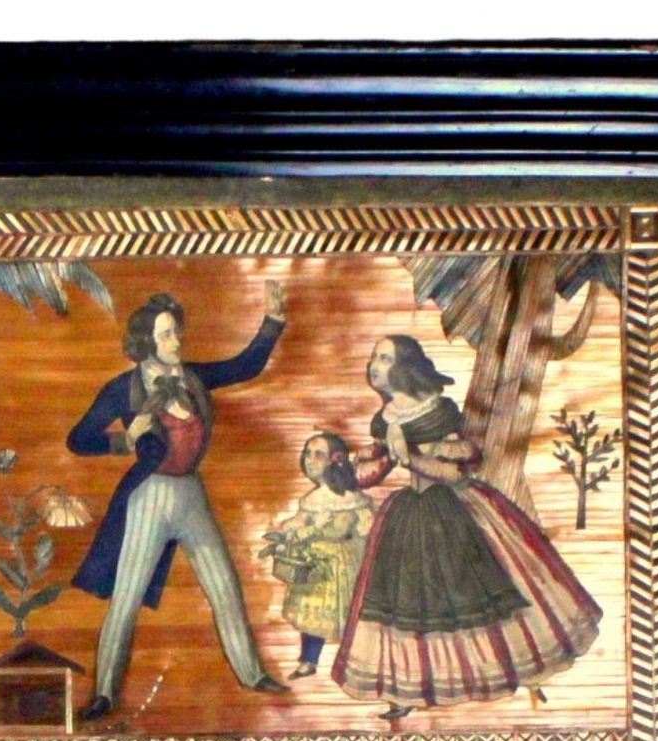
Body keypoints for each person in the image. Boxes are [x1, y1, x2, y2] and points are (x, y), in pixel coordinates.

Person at [331, 339, 603, 718]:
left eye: (385, 358)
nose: (374, 364)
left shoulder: (437, 412)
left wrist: (410, 457)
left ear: (406, 367)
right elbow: (374, 473)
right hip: (408, 517)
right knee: (407, 604)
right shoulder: (386, 418)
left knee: (484, 590)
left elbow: (456, 472)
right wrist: (354, 469)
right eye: (374, 356)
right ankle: (406, 690)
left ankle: (523, 670)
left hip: (455, 512)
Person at [67, 285, 294, 719]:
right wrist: (124, 440)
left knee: (224, 585)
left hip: (190, 492)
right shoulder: (122, 389)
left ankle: (252, 674)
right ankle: (105, 693)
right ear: (146, 342)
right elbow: (78, 439)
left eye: (176, 332)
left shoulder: (192, 378)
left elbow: (244, 366)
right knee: (127, 596)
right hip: (150, 494)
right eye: (167, 335)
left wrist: (273, 320)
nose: (177, 341)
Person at [261, 431, 376, 679]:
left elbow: (362, 527)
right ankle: (309, 660)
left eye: (318, 455)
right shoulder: (313, 498)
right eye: (307, 454)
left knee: (348, 613)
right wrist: (287, 529)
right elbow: (300, 521)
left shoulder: (350, 497)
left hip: (343, 563)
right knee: (311, 612)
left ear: (335, 460)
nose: (309, 460)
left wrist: (356, 529)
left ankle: (355, 663)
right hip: (315, 562)